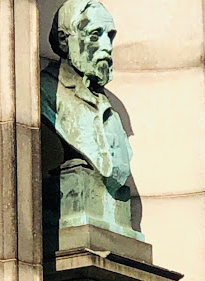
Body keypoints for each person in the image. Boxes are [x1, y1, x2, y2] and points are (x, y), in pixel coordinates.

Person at [40, 0, 132, 194]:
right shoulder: (45, 91)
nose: (107, 46)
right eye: (95, 35)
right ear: (64, 41)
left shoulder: (111, 110)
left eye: (110, 36)